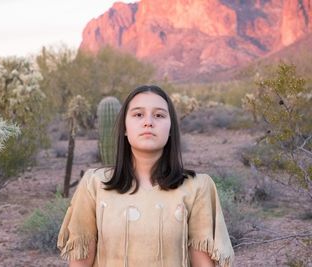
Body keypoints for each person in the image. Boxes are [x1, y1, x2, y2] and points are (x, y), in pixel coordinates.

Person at [57, 85, 234, 267]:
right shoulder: (94, 184)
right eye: (138, 114)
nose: (148, 122)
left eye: (159, 115)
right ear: (125, 127)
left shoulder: (197, 186)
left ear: (171, 128)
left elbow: (202, 263)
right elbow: (81, 262)